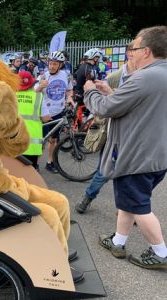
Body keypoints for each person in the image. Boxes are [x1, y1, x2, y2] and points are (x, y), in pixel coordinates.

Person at [84, 25, 167, 269]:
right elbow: (137, 105)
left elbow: (105, 108)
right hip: (156, 154)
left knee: (139, 206)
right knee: (129, 202)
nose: (130, 52)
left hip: (136, 156)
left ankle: (160, 252)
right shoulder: (161, 73)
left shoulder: (145, 76)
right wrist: (112, 92)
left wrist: (90, 92)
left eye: (134, 47)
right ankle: (118, 242)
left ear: (147, 51)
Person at [75, 46, 135, 214]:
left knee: (130, 174)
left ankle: (127, 210)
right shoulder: (115, 76)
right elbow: (103, 104)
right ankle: (87, 199)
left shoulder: (144, 78)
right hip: (114, 134)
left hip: (133, 136)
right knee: (104, 171)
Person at [35, 51, 74, 173]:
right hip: (45, 114)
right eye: (50, 63)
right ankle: (34, 164)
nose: (52, 66)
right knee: (41, 141)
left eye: (55, 64)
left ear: (60, 65)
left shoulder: (66, 76)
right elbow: (33, 93)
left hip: (59, 112)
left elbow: (69, 90)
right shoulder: (43, 77)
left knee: (54, 140)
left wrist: (69, 97)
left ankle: (50, 162)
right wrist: (40, 87)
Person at [16, 70, 51, 171]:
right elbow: (45, 118)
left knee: (15, 174)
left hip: (13, 143)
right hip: (32, 146)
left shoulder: (11, 96)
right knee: (30, 174)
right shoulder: (38, 97)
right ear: (32, 83)